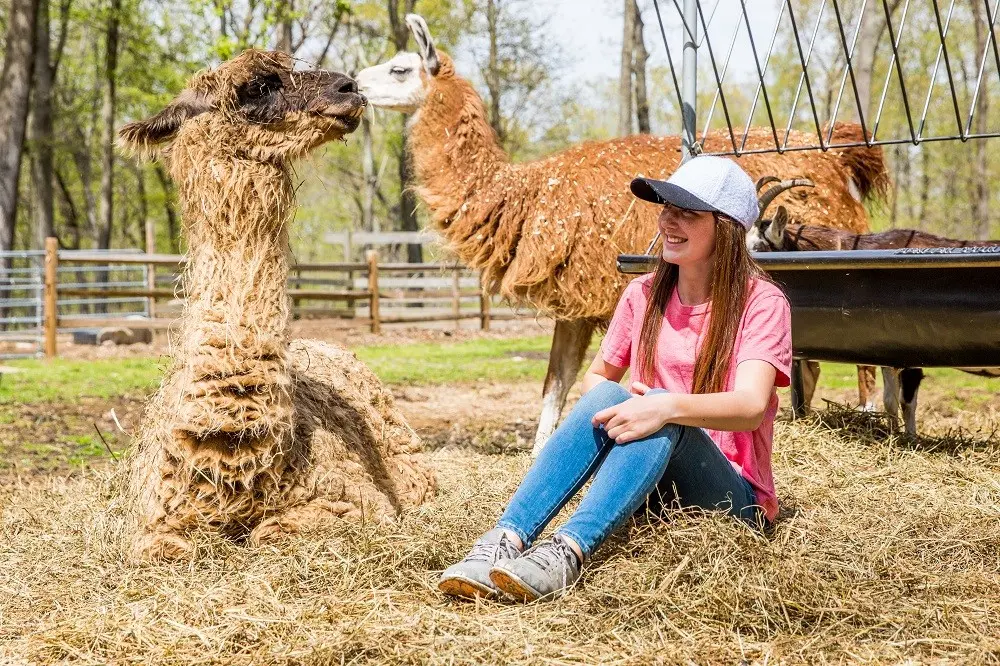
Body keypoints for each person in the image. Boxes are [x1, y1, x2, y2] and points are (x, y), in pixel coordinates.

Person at [438, 155, 792, 602]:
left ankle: (567, 551)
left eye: (687, 212)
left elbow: (750, 406)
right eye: (666, 208)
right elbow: (597, 380)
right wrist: (627, 409)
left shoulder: (762, 302)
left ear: (725, 226)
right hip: (648, 487)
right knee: (610, 392)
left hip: (730, 501)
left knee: (658, 407)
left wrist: (664, 406)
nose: (668, 221)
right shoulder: (641, 294)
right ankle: (505, 538)